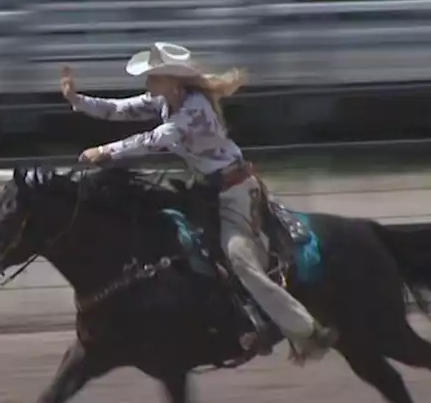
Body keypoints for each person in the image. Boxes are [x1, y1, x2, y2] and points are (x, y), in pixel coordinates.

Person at [62, 42, 336, 363]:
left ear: (173, 80)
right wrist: (76, 100)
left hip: (235, 189)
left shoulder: (195, 109)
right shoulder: (166, 101)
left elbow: (159, 138)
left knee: (239, 258)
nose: (148, 82)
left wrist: (105, 151)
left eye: (154, 76)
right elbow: (120, 109)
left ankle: (306, 330)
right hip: (206, 188)